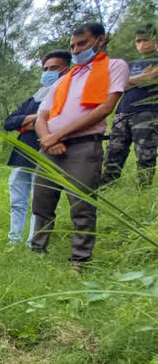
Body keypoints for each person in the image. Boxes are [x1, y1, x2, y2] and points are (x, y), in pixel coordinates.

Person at [32, 23, 129, 270]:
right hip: (50, 148)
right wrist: (48, 139)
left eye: (82, 44)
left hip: (84, 146)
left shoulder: (114, 66)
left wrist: (59, 135)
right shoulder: (65, 80)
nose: (76, 50)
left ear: (100, 40)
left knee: (82, 204)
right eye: (73, 45)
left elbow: (105, 107)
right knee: (42, 201)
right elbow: (42, 116)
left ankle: (80, 258)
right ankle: (37, 249)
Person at [3, 50, 72, 245]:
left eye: (54, 68)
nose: (48, 72)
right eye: (45, 68)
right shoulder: (36, 97)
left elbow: (59, 121)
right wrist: (37, 117)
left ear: (66, 70)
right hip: (22, 154)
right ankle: (14, 238)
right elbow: (9, 122)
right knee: (17, 199)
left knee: (40, 201)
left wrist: (29, 122)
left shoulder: (68, 95)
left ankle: (34, 240)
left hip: (47, 153)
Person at [102, 24, 158, 186]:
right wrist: (143, 78)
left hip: (148, 112)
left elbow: (153, 78)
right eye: (138, 41)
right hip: (123, 111)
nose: (141, 44)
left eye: (145, 40)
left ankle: (143, 189)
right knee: (113, 151)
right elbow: (116, 85)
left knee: (146, 154)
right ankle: (107, 187)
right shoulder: (131, 64)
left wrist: (131, 81)